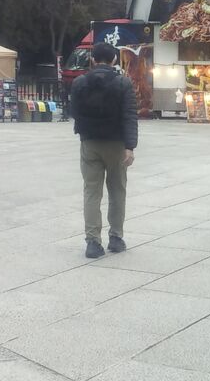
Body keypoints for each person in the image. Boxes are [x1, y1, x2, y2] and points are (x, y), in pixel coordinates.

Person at [69, 42, 138, 258]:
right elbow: (129, 115)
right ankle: (116, 238)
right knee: (117, 191)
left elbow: (74, 111)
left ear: (92, 60)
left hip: (89, 144)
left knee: (91, 192)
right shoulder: (123, 83)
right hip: (116, 144)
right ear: (114, 60)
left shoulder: (80, 82)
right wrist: (130, 146)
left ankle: (93, 242)